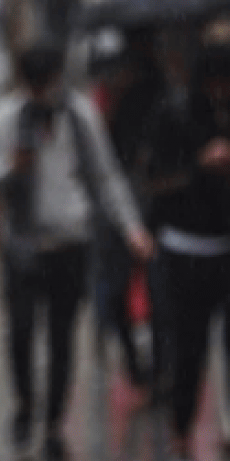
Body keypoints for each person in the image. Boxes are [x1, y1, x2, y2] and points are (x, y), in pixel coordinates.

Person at [0, 41, 154, 461]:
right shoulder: (7, 118)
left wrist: (131, 227)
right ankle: (25, 403)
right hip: (22, 244)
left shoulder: (79, 117)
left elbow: (105, 175)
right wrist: (12, 167)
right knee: (22, 332)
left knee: (62, 336)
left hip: (69, 243)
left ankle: (55, 422)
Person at [142, 45, 230, 461]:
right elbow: (153, 179)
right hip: (186, 249)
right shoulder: (173, 115)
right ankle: (180, 439)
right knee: (187, 350)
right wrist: (200, 167)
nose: (222, 93)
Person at [87, 30, 164, 390]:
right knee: (115, 285)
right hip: (116, 203)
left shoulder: (158, 94)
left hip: (150, 198)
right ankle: (134, 361)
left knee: (158, 286)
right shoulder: (101, 99)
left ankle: (159, 366)